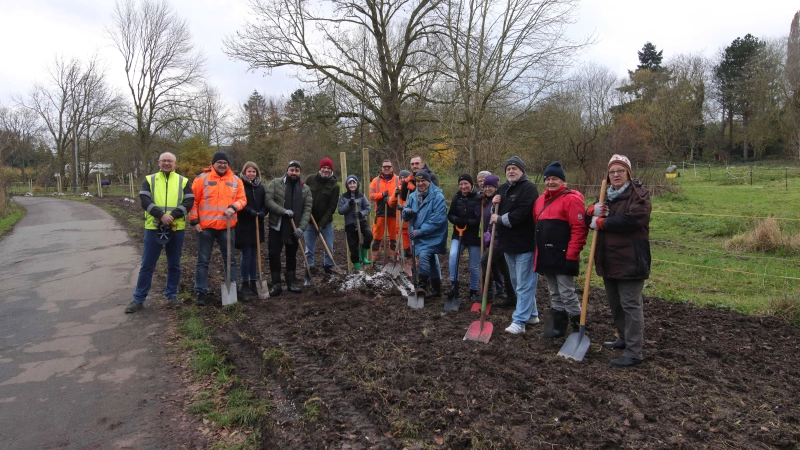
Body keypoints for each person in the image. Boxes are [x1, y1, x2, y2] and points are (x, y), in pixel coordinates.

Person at [587, 154, 651, 368]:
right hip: (608, 260)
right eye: (612, 171)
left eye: (620, 171)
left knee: (631, 305)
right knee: (616, 304)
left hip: (631, 260)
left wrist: (603, 223)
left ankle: (634, 352)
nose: (615, 175)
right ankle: (624, 339)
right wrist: (590, 211)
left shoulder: (639, 195)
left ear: (629, 173)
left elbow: (633, 220)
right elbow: (591, 219)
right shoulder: (605, 195)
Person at [125, 152, 194, 313]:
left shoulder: (183, 181)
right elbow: (144, 200)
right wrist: (161, 215)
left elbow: (189, 201)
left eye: (170, 161)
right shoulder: (150, 180)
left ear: (175, 163)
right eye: (164, 161)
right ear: (159, 162)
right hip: (153, 227)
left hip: (176, 228)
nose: (167, 163)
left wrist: (173, 216)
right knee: (147, 265)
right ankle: (138, 299)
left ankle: (171, 295)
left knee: (174, 265)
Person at [533, 161, 588, 338]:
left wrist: (572, 255)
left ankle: (578, 329)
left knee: (567, 293)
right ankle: (558, 328)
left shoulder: (571, 199)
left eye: (555, 179)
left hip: (564, 255)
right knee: (554, 292)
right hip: (546, 255)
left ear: (562, 181)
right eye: (548, 179)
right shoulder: (540, 201)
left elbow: (579, 229)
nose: (550, 182)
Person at [189, 151, 247, 306]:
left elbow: (242, 199)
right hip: (205, 228)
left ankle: (234, 289)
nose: (222, 165)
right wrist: (194, 221)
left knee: (230, 260)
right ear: (213, 164)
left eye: (225, 163)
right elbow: (193, 201)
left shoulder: (236, 180)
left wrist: (234, 207)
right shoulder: (202, 179)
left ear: (228, 165)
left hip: (226, 227)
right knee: (203, 260)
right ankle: (200, 291)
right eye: (219, 162)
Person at [491, 156, 539, 334]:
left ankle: (519, 321)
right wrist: (493, 205)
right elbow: (494, 213)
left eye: (514, 168)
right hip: (508, 244)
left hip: (525, 243)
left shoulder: (529, 188)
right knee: (517, 281)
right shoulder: (503, 189)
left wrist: (501, 219)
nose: (511, 171)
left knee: (525, 283)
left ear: (522, 171)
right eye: (508, 169)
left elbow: (523, 213)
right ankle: (532, 314)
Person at [265, 160, 313, 296]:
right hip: (277, 226)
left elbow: (307, 210)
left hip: (294, 228)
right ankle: (276, 285)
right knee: (274, 254)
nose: (294, 173)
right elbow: (268, 200)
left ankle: (291, 283)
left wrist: (301, 228)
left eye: (297, 170)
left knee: (291, 256)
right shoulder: (276, 183)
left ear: (300, 172)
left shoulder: (305, 189)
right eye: (292, 170)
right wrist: (283, 211)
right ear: (287, 170)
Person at [402, 170, 448, 298]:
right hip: (418, 235)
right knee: (430, 259)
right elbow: (405, 213)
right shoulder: (412, 196)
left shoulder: (438, 197)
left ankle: (422, 285)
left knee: (423, 256)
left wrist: (420, 231)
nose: (421, 183)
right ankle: (436, 290)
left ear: (429, 181)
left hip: (433, 235)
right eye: (418, 181)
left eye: (423, 181)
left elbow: (437, 219)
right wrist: (407, 212)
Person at [478, 175, 515, 304]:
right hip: (493, 238)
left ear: (496, 187)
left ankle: (487, 294)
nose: (488, 188)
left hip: (500, 239)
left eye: (490, 186)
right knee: (504, 268)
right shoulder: (486, 201)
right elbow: (479, 215)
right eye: (486, 186)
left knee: (484, 261)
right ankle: (512, 296)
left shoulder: (500, 199)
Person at [446, 174, 481, 302]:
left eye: (466, 183)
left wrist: (466, 222)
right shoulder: (457, 197)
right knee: (453, 255)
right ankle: (454, 286)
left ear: (471, 185)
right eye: (461, 184)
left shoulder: (478, 198)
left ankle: (473, 291)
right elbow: (450, 215)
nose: (463, 186)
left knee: (473, 265)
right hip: (458, 234)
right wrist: (457, 220)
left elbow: (480, 219)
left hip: (474, 237)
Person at [304, 157, 340, 284]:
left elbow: (331, 208)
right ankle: (308, 275)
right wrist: (306, 214)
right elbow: (303, 196)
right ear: (320, 168)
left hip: (326, 223)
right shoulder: (310, 179)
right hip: (309, 221)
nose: (326, 170)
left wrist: (321, 224)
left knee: (329, 249)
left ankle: (328, 274)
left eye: (328, 168)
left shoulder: (334, 186)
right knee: (309, 250)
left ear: (331, 170)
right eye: (324, 167)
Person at [234, 161, 267, 299]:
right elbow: (238, 202)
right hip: (245, 224)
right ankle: (245, 282)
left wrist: (263, 212)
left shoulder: (260, 187)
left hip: (257, 223)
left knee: (255, 254)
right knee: (246, 254)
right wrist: (250, 211)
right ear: (244, 172)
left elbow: (266, 203)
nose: (252, 174)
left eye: (254, 171)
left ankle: (254, 281)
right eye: (249, 171)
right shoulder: (240, 185)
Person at [337, 175, 373, 270]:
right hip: (350, 224)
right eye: (350, 183)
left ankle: (363, 256)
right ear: (347, 185)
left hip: (361, 221)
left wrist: (361, 213)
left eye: (354, 183)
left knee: (369, 235)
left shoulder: (361, 195)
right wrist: (349, 204)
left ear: (357, 184)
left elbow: (368, 208)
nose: (352, 185)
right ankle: (357, 267)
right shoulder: (343, 197)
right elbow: (340, 211)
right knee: (353, 246)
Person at [369, 159, 399, 264]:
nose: (386, 168)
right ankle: (374, 258)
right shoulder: (375, 181)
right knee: (376, 236)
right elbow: (370, 195)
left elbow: (402, 194)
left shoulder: (398, 180)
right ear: (382, 168)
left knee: (394, 237)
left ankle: (393, 257)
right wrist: (381, 195)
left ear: (392, 168)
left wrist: (392, 197)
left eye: (388, 166)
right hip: (380, 212)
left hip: (394, 213)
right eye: (385, 166)